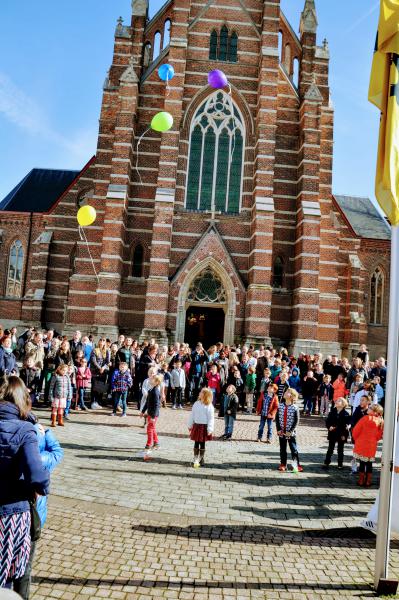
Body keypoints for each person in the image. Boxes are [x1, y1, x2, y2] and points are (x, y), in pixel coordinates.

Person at [0, 376, 49, 591]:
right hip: (12, 512)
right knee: (8, 578)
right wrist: (42, 487)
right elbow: (37, 476)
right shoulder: (25, 430)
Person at [13, 417, 63, 600]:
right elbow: (56, 453)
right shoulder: (34, 431)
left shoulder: (36, 429)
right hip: (29, 511)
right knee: (24, 568)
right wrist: (37, 460)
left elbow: (57, 452)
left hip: (30, 511)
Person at [352, 403, 384, 487]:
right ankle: (368, 481)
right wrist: (374, 439)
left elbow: (356, 430)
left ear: (375, 412)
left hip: (362, 442)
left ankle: (361, 480)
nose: (368, 408)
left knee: (362, 462)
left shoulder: (365, 418)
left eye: (370, 408)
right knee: (369, 463)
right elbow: (380, 434)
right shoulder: (380, 421)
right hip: (372, 444)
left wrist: (356, 439)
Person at [276, 388, 303, 472]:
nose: (285, 393)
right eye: (286, 391)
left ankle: (296, 465)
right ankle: (283, 464)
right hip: (282, 432)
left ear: (292, 396)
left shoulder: (295, 408)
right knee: (282, 449)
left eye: (288, 392)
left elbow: (296, 421)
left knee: (293, 449)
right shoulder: (280, 405)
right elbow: (277, 418)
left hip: (291, 433)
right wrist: (279, 429)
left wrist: (290, 431)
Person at [188, 387, 215, 468]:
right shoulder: (196, 404)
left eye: (201, 392)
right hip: (196, 425)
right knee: (196, 442)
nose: (199, 393)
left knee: (202, 443)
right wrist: (190, 424)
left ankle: (201, 458)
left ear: (205, 395)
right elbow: (192, 415)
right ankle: (195, 458)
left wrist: (210, 429)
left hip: (204, 427)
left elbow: (211, 418)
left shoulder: (209, 406)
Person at [322, 397, 350, 469]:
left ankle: (340, 464)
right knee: (330, 448)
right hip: (333, 433)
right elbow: (328, 421)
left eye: (339, 401)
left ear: (343, 404)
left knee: (340, 449)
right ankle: (326, 462)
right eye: (336, 401)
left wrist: (346, 432)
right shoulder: (332, 412)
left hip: (341, 433)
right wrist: (329, 427)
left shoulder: (346, 414)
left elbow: (347, 424)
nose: (337, 402)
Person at [140, 374, 163, 452]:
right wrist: (143, 411)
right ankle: (156, 443)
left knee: (149, 428)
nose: (150, 380)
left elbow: (157, 405)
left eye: (152, 379)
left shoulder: (156, 391)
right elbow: (147, 402)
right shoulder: (150, 389)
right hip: (150, 413)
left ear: (156, 382)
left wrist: (153, 417)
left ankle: (148, 444)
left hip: (153, 414)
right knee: (152, 428)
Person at [90, 339, 111, 409]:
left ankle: (98, 402)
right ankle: (93, 402)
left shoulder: (107, 350)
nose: (102, 342)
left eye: (103, 341)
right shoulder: (94, 350)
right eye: (100, 340)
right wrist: (100, 368)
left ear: (105, 342)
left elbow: (108, 361)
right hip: (95, 371)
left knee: (100, 387)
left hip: (103, 372)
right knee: (94, 387)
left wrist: (103, 368)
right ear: (98, 342)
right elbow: (93, 361)